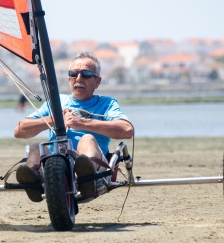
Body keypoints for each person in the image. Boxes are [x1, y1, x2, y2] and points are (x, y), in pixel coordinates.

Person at [13, 51, 134, 202]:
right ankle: (34, 181)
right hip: (55, 169)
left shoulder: (107, 103)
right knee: (36, 147)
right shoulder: (55, 102)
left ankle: (84, 178)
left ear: (98, 81)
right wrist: (54, 119)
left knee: (87, 139)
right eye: (74, 73)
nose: (79, 79)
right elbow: (19, 130)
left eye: (86, 74)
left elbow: (127, 130)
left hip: (95, 170)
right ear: (69, 78)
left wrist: (81, 123)